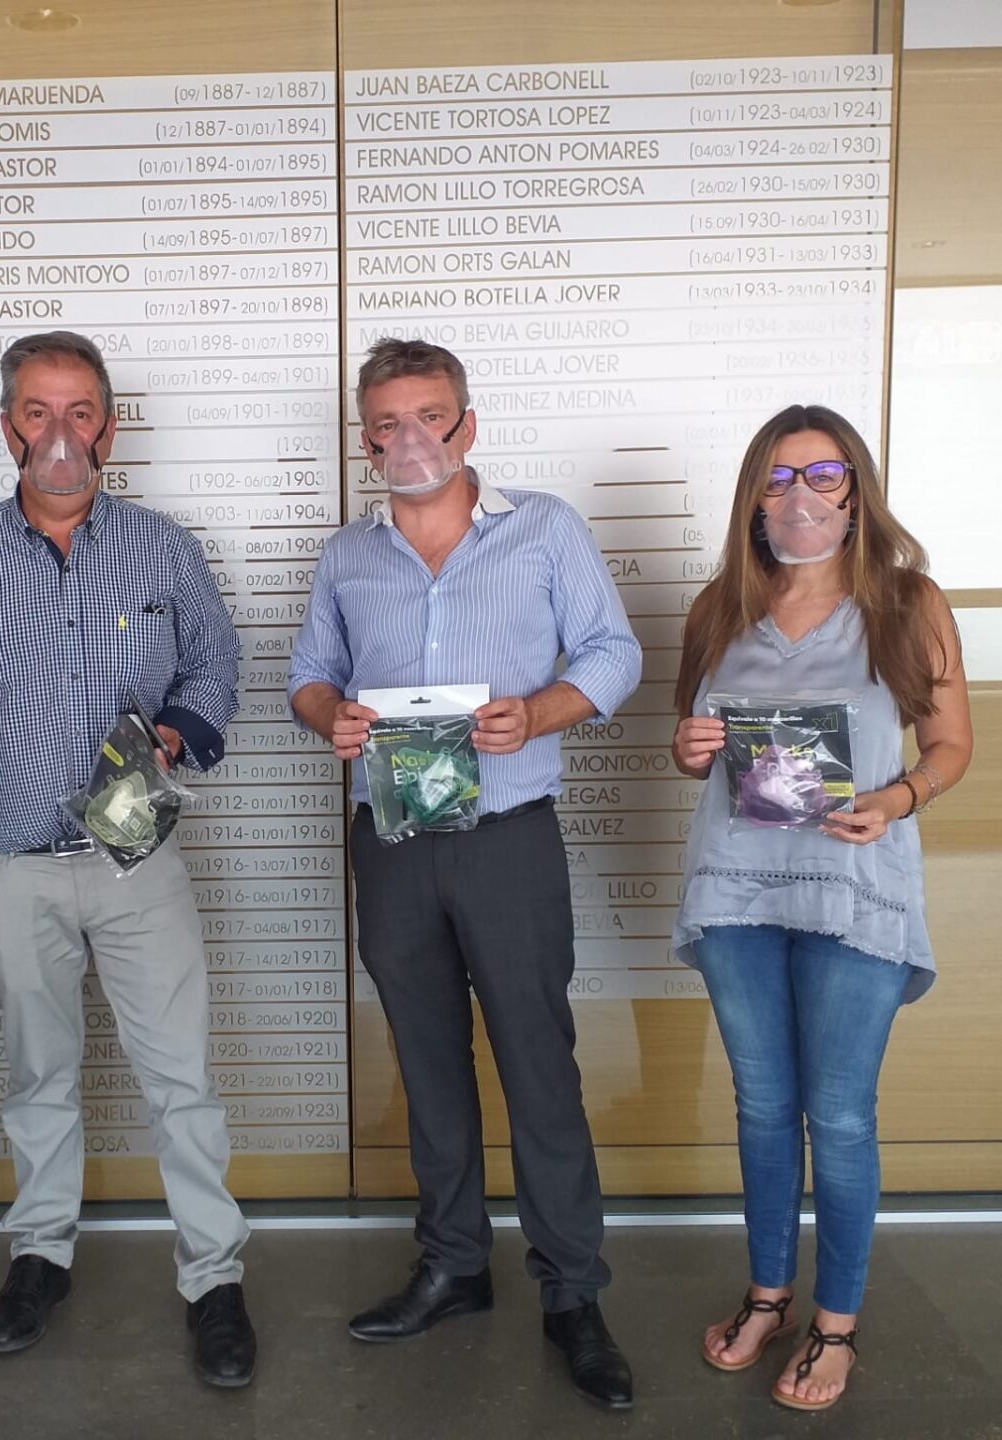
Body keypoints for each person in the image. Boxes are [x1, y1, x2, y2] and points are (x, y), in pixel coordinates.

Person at [0, 331, 256, 1387]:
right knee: (37, 1075)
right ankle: (39, 1256)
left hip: (137, 856)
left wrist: (178, 731)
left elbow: (215, 661)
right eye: (39, 412)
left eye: (81, 411)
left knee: (180, 1079)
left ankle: (214, 1277)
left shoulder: (161, 548)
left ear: (109, 428)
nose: (61, 433)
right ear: (8, 427)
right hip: (8, 862)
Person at [288, 337, 643, 1410]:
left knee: (538, 1064)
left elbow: (613, 653)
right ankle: (452, 1265)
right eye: (387, 424)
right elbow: (309, 676)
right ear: (366, 441)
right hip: (393, 841)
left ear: (467, 425)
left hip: (507, 838)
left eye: (429, 417)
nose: (410, 439)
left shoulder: (544, 530)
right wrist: (330, 717)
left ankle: (572, 1292)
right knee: (428, 1061)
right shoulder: (348, 556)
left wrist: (538, 711)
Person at [669, 403, 972, 1412]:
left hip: (854, 890)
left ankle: (834, 1324)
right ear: (753, 498)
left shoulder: (908, 602)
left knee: (837, 1114)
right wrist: (687, 748)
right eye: (779, 477)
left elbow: (952, 745)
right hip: (738, 887)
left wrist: (897, 798)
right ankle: (768, 1297)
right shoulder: (718, 608)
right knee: (762, 1106)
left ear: (856, 490)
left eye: (824, 474)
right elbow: (694, 742)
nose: (801, 495)